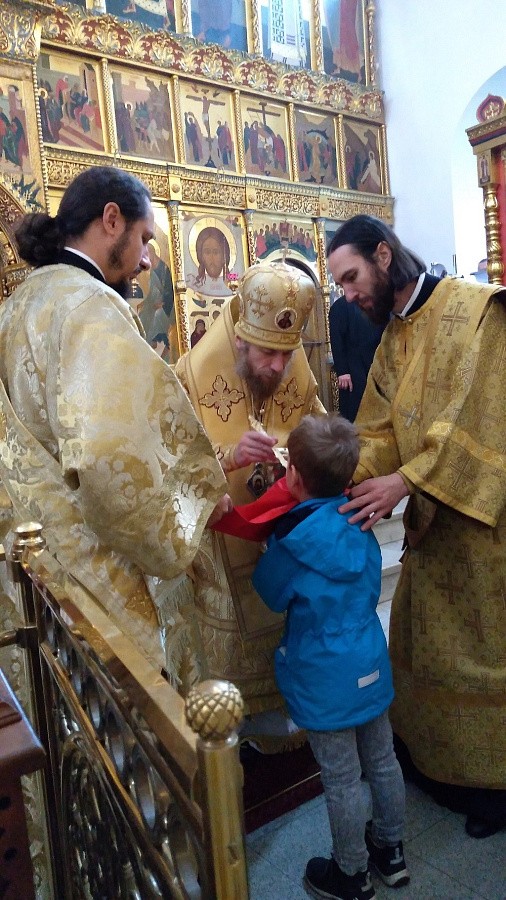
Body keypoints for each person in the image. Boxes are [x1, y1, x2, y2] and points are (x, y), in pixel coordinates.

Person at [0, 165, 229, 685]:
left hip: (34, 559)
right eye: (144, 238)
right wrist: (191, 506)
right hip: (91, 566)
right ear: (110, 220)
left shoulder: (19, 304)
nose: (147, 259)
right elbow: (112, 455)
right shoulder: (90, 304)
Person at [327, 214, 506, 839]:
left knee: (486, 656)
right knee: (423, 651)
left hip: (483, 530)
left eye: (351, 277)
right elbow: (376, 430)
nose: (348, 294)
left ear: (383, 255)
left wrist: (403, 483)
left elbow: (482, 421)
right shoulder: (393, 336)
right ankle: (438, 769)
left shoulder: (479, 311)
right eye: (340, 285)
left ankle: (496, 791)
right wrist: (335, 474)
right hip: (431, 534)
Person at [253, 413, 409, 900]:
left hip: (323, 676)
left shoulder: (293, 538)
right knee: (382, 760)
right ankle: (391, 852)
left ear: (293, 476)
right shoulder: (361, 518)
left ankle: (351, 874)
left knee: (341, 779)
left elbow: (271, 594)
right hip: (369, 659)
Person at [175, 259, 326, 748]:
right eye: (267, 353)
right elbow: (171, 464)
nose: (279, 367)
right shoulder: (190, 377)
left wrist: (297, 457)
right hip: (223, 555)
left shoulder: (293, 368)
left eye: (287, 352)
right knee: (229, 689)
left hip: (284, 542)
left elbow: (320, 432)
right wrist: (228, 457)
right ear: (240, 338)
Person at [329, 292, 385, 421]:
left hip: (377, 363)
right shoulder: (340, 306)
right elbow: (337, 339)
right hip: (353, 367)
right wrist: (342, 371)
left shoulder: (377, 304)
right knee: (354, 408)